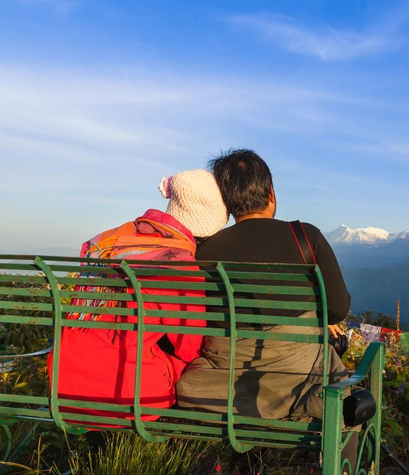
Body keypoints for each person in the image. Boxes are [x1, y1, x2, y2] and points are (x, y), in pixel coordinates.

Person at [176, 149, 351, 420]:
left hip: (221, 383)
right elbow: (339, 309)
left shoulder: (203, 250)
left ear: (227, 201)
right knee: (343, 388)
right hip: (297, 379)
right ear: (271, 192)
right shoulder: (305, 236)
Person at [48, 169, 229, 421]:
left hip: (65, 387)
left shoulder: (105, 242)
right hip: (129, 396)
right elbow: (188, 348)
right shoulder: (179, 264)